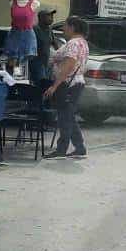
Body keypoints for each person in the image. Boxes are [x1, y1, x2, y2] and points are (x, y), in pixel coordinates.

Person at [43, 15, 89, 159]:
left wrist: (55, 86)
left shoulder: (74, 44)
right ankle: (79, 147)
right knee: (69, 116)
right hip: (76, 82)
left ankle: (61, 149)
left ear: (72, 27)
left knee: (64, 117)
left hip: (68, 83)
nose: (63, 29)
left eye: (66, 26)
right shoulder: (82, 43)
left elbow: (69, 65)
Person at [29, 8, 55, 87]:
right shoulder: (34, 29)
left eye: (52, 16)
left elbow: (54, 43)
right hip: (36, 62)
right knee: (41, 85)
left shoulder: (50, 30)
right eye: (49, 16)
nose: (51, 19)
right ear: (41, 18)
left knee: (45, 84)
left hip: (46, 63)